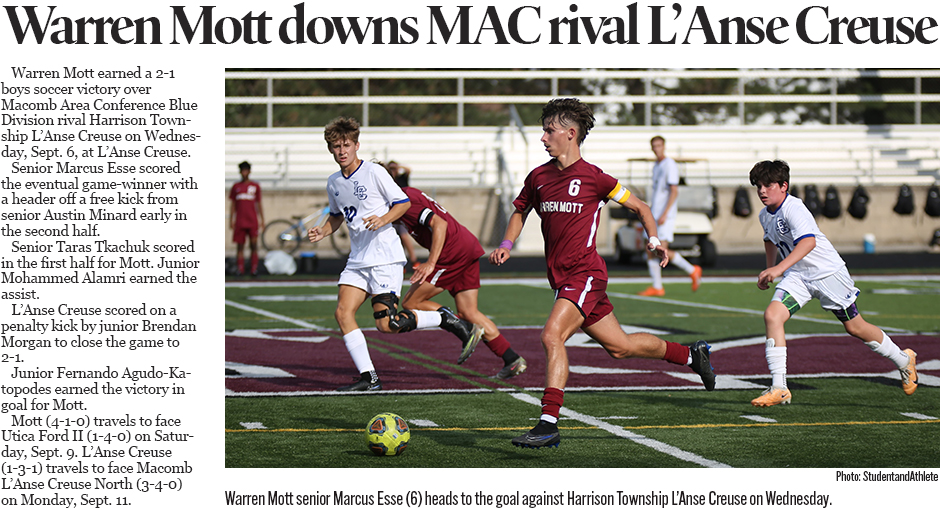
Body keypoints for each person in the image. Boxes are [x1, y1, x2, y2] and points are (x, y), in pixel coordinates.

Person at [488, 99, 716, 449]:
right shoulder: (538, 177)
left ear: (570, 133)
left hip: (586, 273)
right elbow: (520, 211)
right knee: (620, 347)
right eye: (544, 130)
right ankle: (690, 355)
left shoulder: (596, 178)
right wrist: (507, 241)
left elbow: (640, 206)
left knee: (552, 336)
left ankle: (548, 422)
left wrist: (654, 240)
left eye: (549, 131)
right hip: (563, 279)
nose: (543, 138)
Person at [308, 117, 484, 392]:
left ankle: (445, 318)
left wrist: (383, 218)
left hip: (384, 259)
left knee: (387, 326)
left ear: (356, 145)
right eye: (335, 146)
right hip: (358, 259)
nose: (341, 151)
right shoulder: (333, 182)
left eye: (346, 145)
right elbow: (336, 216)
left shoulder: (375, 173)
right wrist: (323, 231)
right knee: (343, 312)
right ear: (330, 149)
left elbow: (402, 203)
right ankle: (370, 377)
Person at [749, 160, 918, 406]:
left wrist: (778, 268)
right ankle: (779, 387)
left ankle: (904, 360)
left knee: (855, 327)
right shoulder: (765, 215)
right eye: (758, 186)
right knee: (772, 316)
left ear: (784, 186)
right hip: (798, 276)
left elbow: (808, 243)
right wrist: (769, 267)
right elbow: (769, 240)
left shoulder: (794, 208)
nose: (762, 191)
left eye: (768, 185)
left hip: (828, 274)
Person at [380, 163, 527, 379]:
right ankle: (512, 359)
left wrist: (431, 262)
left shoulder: (404, 200)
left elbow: (439, 225)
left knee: (411, 303)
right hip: (464, 246)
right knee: (469, 311)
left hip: (452, 251)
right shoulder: (402, 197)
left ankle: (460, 325)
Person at [638, 136, 702, 296]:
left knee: (661, 249)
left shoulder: (669, 165)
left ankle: (691, 269)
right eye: (654, 146)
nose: (657, 148)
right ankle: (657, 286)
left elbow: (674, 190)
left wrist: (665, 213)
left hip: (664, 215)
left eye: (659, 145)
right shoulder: (656, 166)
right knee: (650, 248)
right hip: (655, 213)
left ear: (664, 146)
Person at [229, 161, 264, 276]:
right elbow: (233, 204)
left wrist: (262, 220)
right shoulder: (236, 187)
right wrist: (231, 220)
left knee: (253, 245)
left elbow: (259, 204)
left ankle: (254, 269)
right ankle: (241, 269)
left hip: (252, 220)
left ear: (249, 171)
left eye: (246, 170)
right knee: (240, 246)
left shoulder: (255, 186)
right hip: (240, 220)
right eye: (242, 170)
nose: (244, 173)